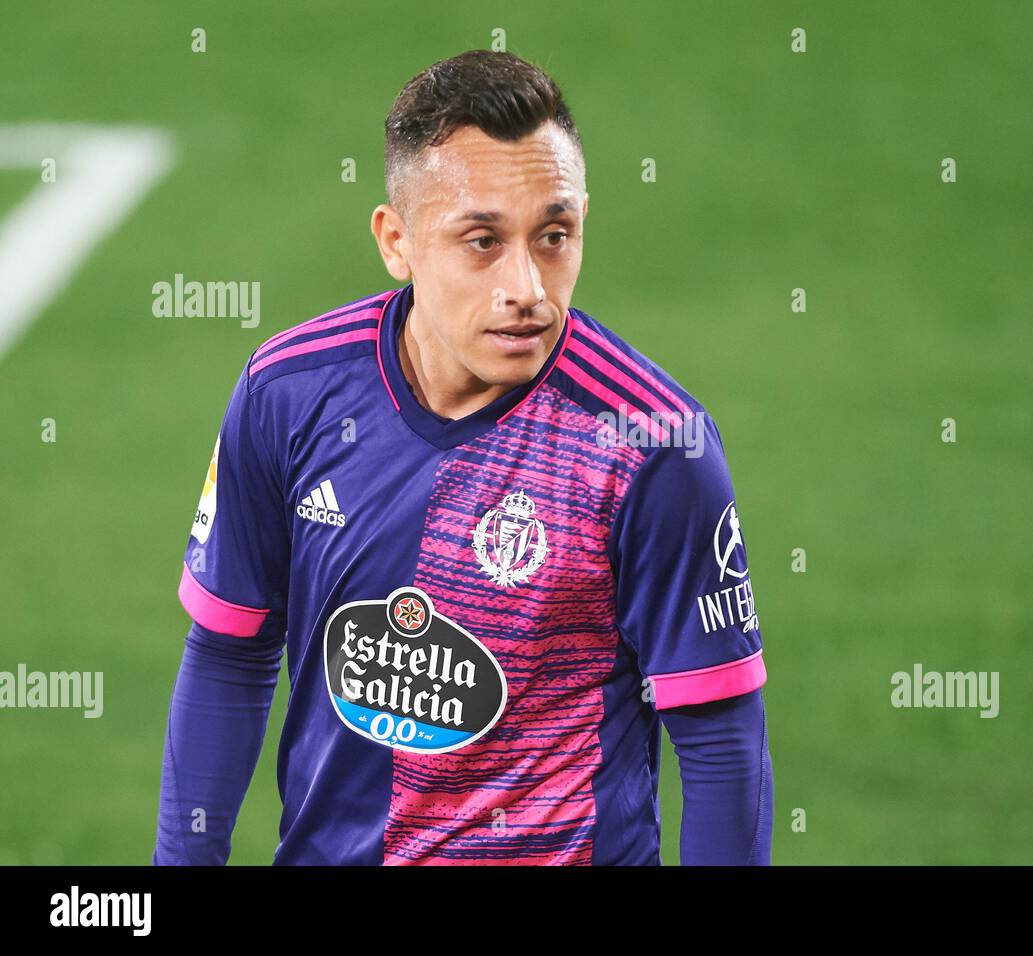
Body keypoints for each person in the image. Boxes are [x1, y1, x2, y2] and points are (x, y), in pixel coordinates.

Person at [153, 49, 772, 865]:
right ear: (396, 241)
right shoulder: (287, 394)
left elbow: (722, 746)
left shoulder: (654, 448)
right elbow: (230, 656)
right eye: (481, 241)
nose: (528, 287)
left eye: (555, 235)